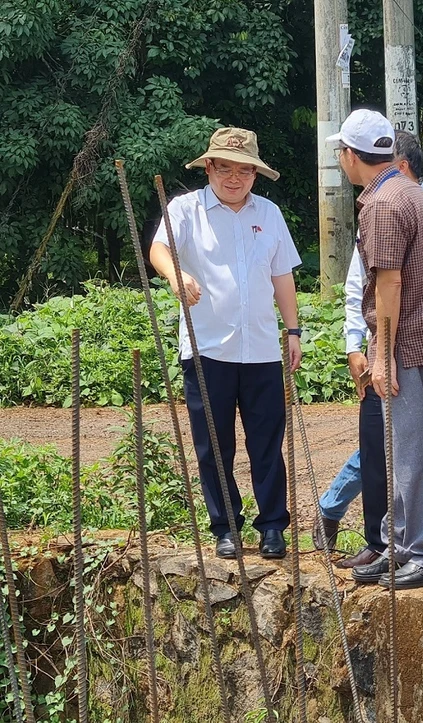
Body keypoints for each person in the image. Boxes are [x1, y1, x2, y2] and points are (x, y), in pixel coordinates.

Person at [314, 137, 423, 565]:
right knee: (398, 448)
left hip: (408, 346)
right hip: (418, 342)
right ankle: (401, 544)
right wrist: (359, 344)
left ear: (351, 156)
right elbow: (363, 283)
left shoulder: (387, 204)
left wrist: (384, 354)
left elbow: (391, 285)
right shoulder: (412, 200)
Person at [149, 127, 301, 560]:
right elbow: (159, 250)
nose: (234, 178)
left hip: (260, 350)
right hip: (207, 349)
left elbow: (282, 275)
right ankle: (226, 527)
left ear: (255, 174)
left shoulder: (268, 214)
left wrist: (293, 331)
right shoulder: (186, 209)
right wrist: (176, 276)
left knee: (266, 443)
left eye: (244, 171)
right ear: (209, 168)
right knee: (214, 445)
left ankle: (272, 526)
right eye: (225, 168)